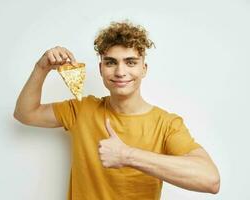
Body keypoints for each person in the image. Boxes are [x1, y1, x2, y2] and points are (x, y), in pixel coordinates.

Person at [13, 20, 220, 200]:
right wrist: (41, 68)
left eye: (130, 62)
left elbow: (210, 180)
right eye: (111, 63)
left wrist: (128, 156)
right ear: (101, 69)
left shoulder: (166, 124)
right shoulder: (81, 109)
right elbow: (25, 113)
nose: (120, 72)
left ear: (144, 69)